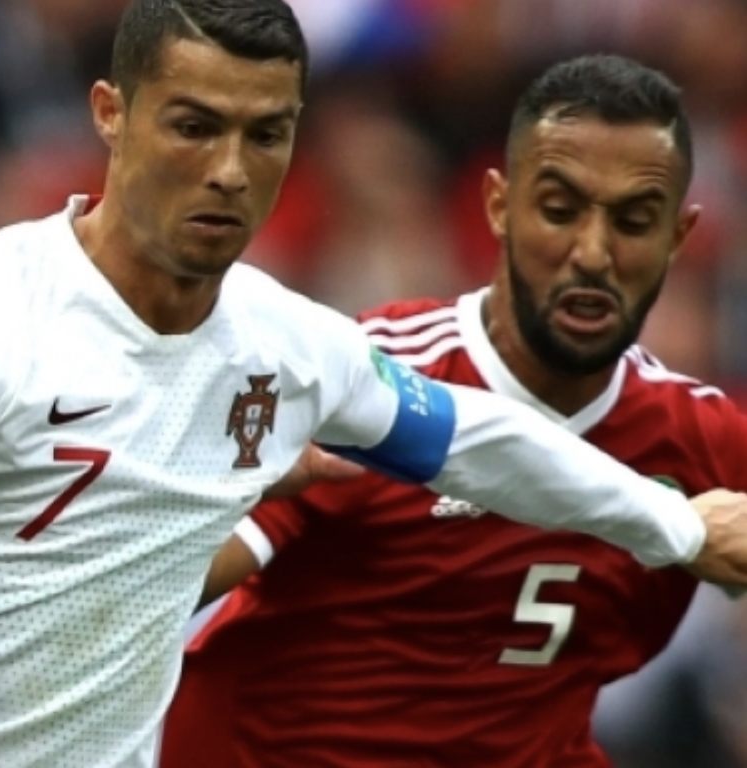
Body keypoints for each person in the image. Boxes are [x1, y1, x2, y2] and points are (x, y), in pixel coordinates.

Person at [158, 53, 747, 768]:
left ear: (678, 238)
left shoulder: (699, 440)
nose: (593, 253)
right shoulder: (366, 382)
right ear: (498, 207)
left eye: (634, 221)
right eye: (559, 212)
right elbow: (155, 586)